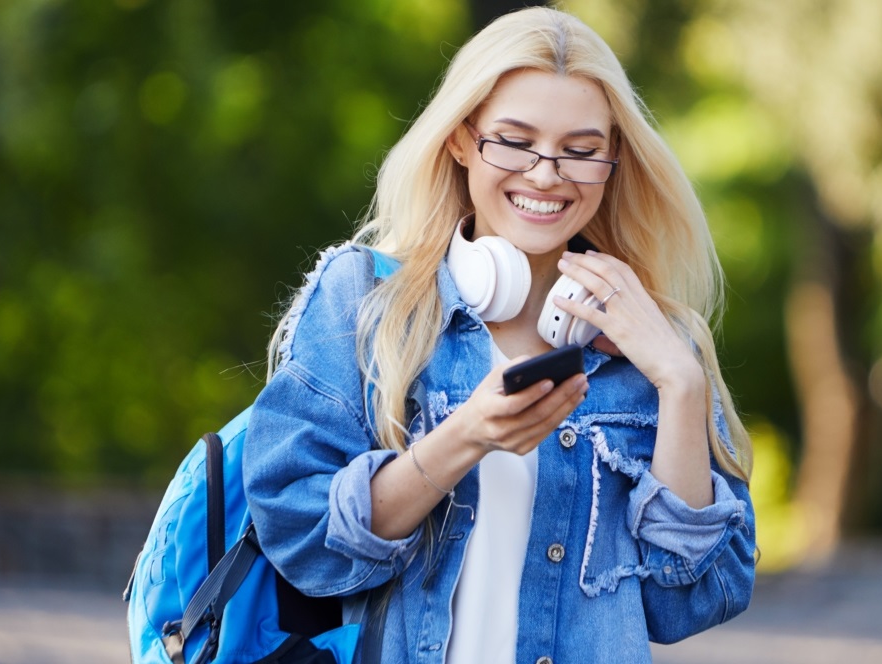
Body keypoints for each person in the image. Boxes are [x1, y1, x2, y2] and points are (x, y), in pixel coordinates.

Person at [242, 7, 756, 664]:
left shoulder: (654, 345)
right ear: (461, 139)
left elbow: (695, 599)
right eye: (514, 140)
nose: (546, 174)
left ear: (613, 158)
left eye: (580, 150)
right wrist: (464, 438)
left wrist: (680, 382)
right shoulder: (367, 302)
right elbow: (300, 535)